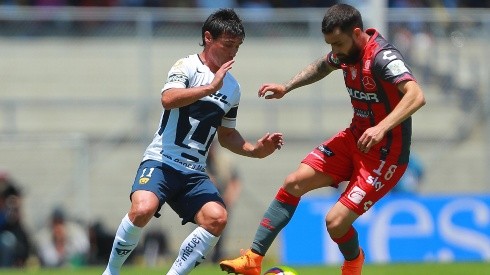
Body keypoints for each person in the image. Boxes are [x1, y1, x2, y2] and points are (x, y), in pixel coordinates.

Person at [219, 4, 426, 275]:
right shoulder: (344, 53)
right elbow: (322, 65)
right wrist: (287, 86)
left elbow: (416, 95)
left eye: (338, 43)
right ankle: (253, 259)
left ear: (356, 32)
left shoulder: (383, 58)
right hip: (354, 138)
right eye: (331, 44)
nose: (335, 51)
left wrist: (382, 128)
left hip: (384, 154)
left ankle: (353, 263)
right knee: (293, 182)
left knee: (335, 222)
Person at [102, 8, 284, 275]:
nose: (233, 53)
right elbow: (168, 99)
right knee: (143, 209)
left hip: (195, 172)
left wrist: (257, 150)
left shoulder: (232, 88)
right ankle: (111, 271)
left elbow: (227, 135)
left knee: (217, 218)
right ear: (208, 38)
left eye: (238, 47)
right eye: (228, 45)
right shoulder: (186, 66)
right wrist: (209, 88)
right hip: (162, 160)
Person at [206, 141, 242, 263]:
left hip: (223, 199)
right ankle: (202, 255)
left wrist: (230, 197)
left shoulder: (225, 161)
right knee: (203, 229)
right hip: (205, 201)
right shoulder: (200, 161)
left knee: (221, 230)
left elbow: (235, 180)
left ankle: (217, 255)